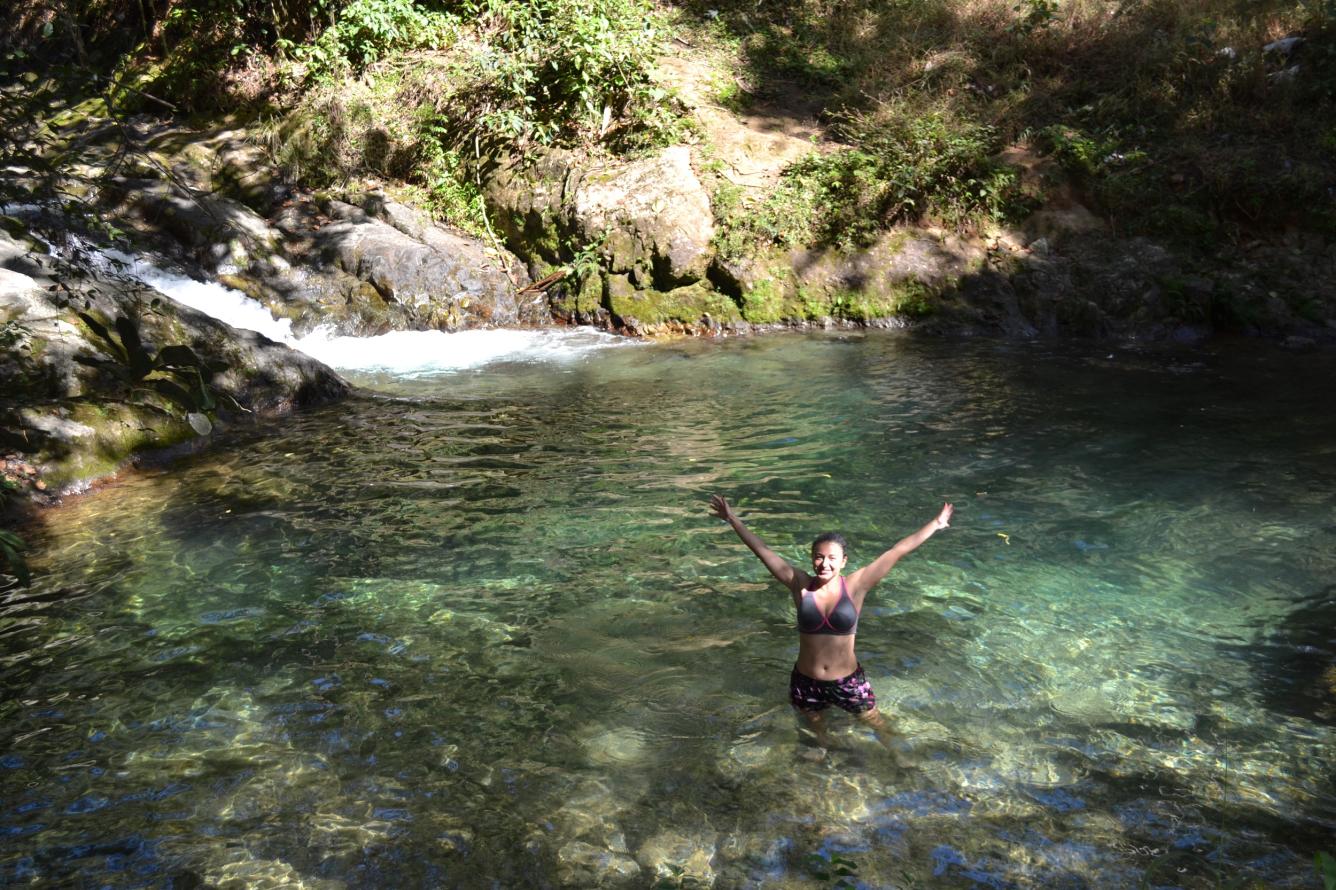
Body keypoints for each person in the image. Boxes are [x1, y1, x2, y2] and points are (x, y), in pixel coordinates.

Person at [707, 494, 953, 746]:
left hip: (848, 681)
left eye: (832, 558)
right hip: (805, 681)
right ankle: (821, 759)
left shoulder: (857, 585)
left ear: (844, 561)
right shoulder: (799, 584)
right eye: (818, 556)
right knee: (814, 733)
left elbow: (897, 551)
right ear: (812, 558)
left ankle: (900, 756)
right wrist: (732, 519)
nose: (824, 563)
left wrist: (935, 523)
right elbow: (763, 552)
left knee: (876, 723)